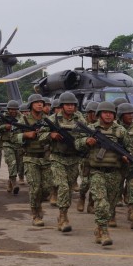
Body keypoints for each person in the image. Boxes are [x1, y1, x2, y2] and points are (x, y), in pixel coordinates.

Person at [75, 101, 133, 246]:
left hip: (115, 173)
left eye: (111, 113)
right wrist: (86, 141)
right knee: (101, 203)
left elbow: (129, 148)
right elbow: (76, 144)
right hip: (96, 171)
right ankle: (105, 232)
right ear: (99, 114)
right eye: (105, 112)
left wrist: (126, 157)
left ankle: (99, 228)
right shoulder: (91, 128)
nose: (108, 115)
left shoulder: (120, 131)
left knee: (111, 206)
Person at [39, 92, 83, 232]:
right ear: (62, 106)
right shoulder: (52, 120)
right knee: (63, 186)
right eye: (67, 105)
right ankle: (63, 218)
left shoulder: (80, 119)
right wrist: (50, 135)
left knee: (69, 189)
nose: (70, 107)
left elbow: (87, 134)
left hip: (74, 159)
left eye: (72, 105)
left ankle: (63, 214)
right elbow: (40, 136)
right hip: (57, 158)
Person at [12, 94, 51, 226]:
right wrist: (24, 135)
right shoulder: (23, 120)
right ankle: (35, 214)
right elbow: (12, 137)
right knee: (35, 188)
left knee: (46, 188)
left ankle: (38, 204)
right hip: (30, 157)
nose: (40, 104)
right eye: (36, 103)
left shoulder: (49, 120)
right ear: (31, 105)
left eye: (41, 102)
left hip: (46, 158)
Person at [77, 101, 99, 213]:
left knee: (95, 183)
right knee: (85, 182)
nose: (94, 115)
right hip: (84, 158)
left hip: (97, 158)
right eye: (92, 112)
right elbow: (78, 140)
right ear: (88, 113)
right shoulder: (82, 123)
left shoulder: (100, 125)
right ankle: (81, 197)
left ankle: (91, 204)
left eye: (96, 112)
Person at [0, 100, 22, 195]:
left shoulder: (21, 118)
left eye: (15, 109)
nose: (13, 111)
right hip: (7, 143)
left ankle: (10, 181)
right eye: (11, 109)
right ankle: (14, 183)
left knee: (18, 166)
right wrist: (5, 126)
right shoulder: (4, 117)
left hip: (18, 143)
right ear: (8, 109)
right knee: (12, 163)